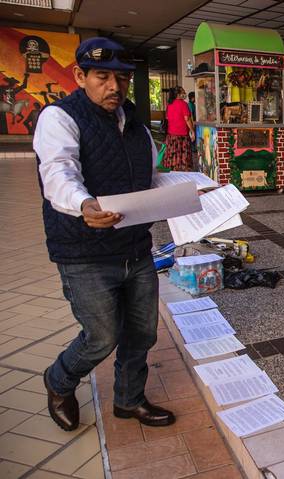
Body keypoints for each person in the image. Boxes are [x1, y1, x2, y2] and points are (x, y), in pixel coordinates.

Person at [34, 37, 175, 432]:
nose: (114, 86)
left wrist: (188, 190)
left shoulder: (136, 126)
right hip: (85, 252)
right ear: (80, 76)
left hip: (134, 246)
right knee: (102, 336)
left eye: (122, 78)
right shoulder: (59, 117)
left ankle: (129, 401)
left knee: (142, 333)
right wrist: (84, 205)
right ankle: (59, 380)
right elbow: (58, 173)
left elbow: (147, 180)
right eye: (102, 77)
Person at [163, 86, 195, 171]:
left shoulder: (169, 105)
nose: (184, 94)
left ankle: (174, 170)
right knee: (183, 155)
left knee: (174, 155)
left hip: (171, 135)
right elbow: (187, 119)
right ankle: (184, 172)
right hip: (182, 135)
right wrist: (192, 131)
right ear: (178, 94)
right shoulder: (183, 104)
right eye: (183, 92)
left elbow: (167, 118)